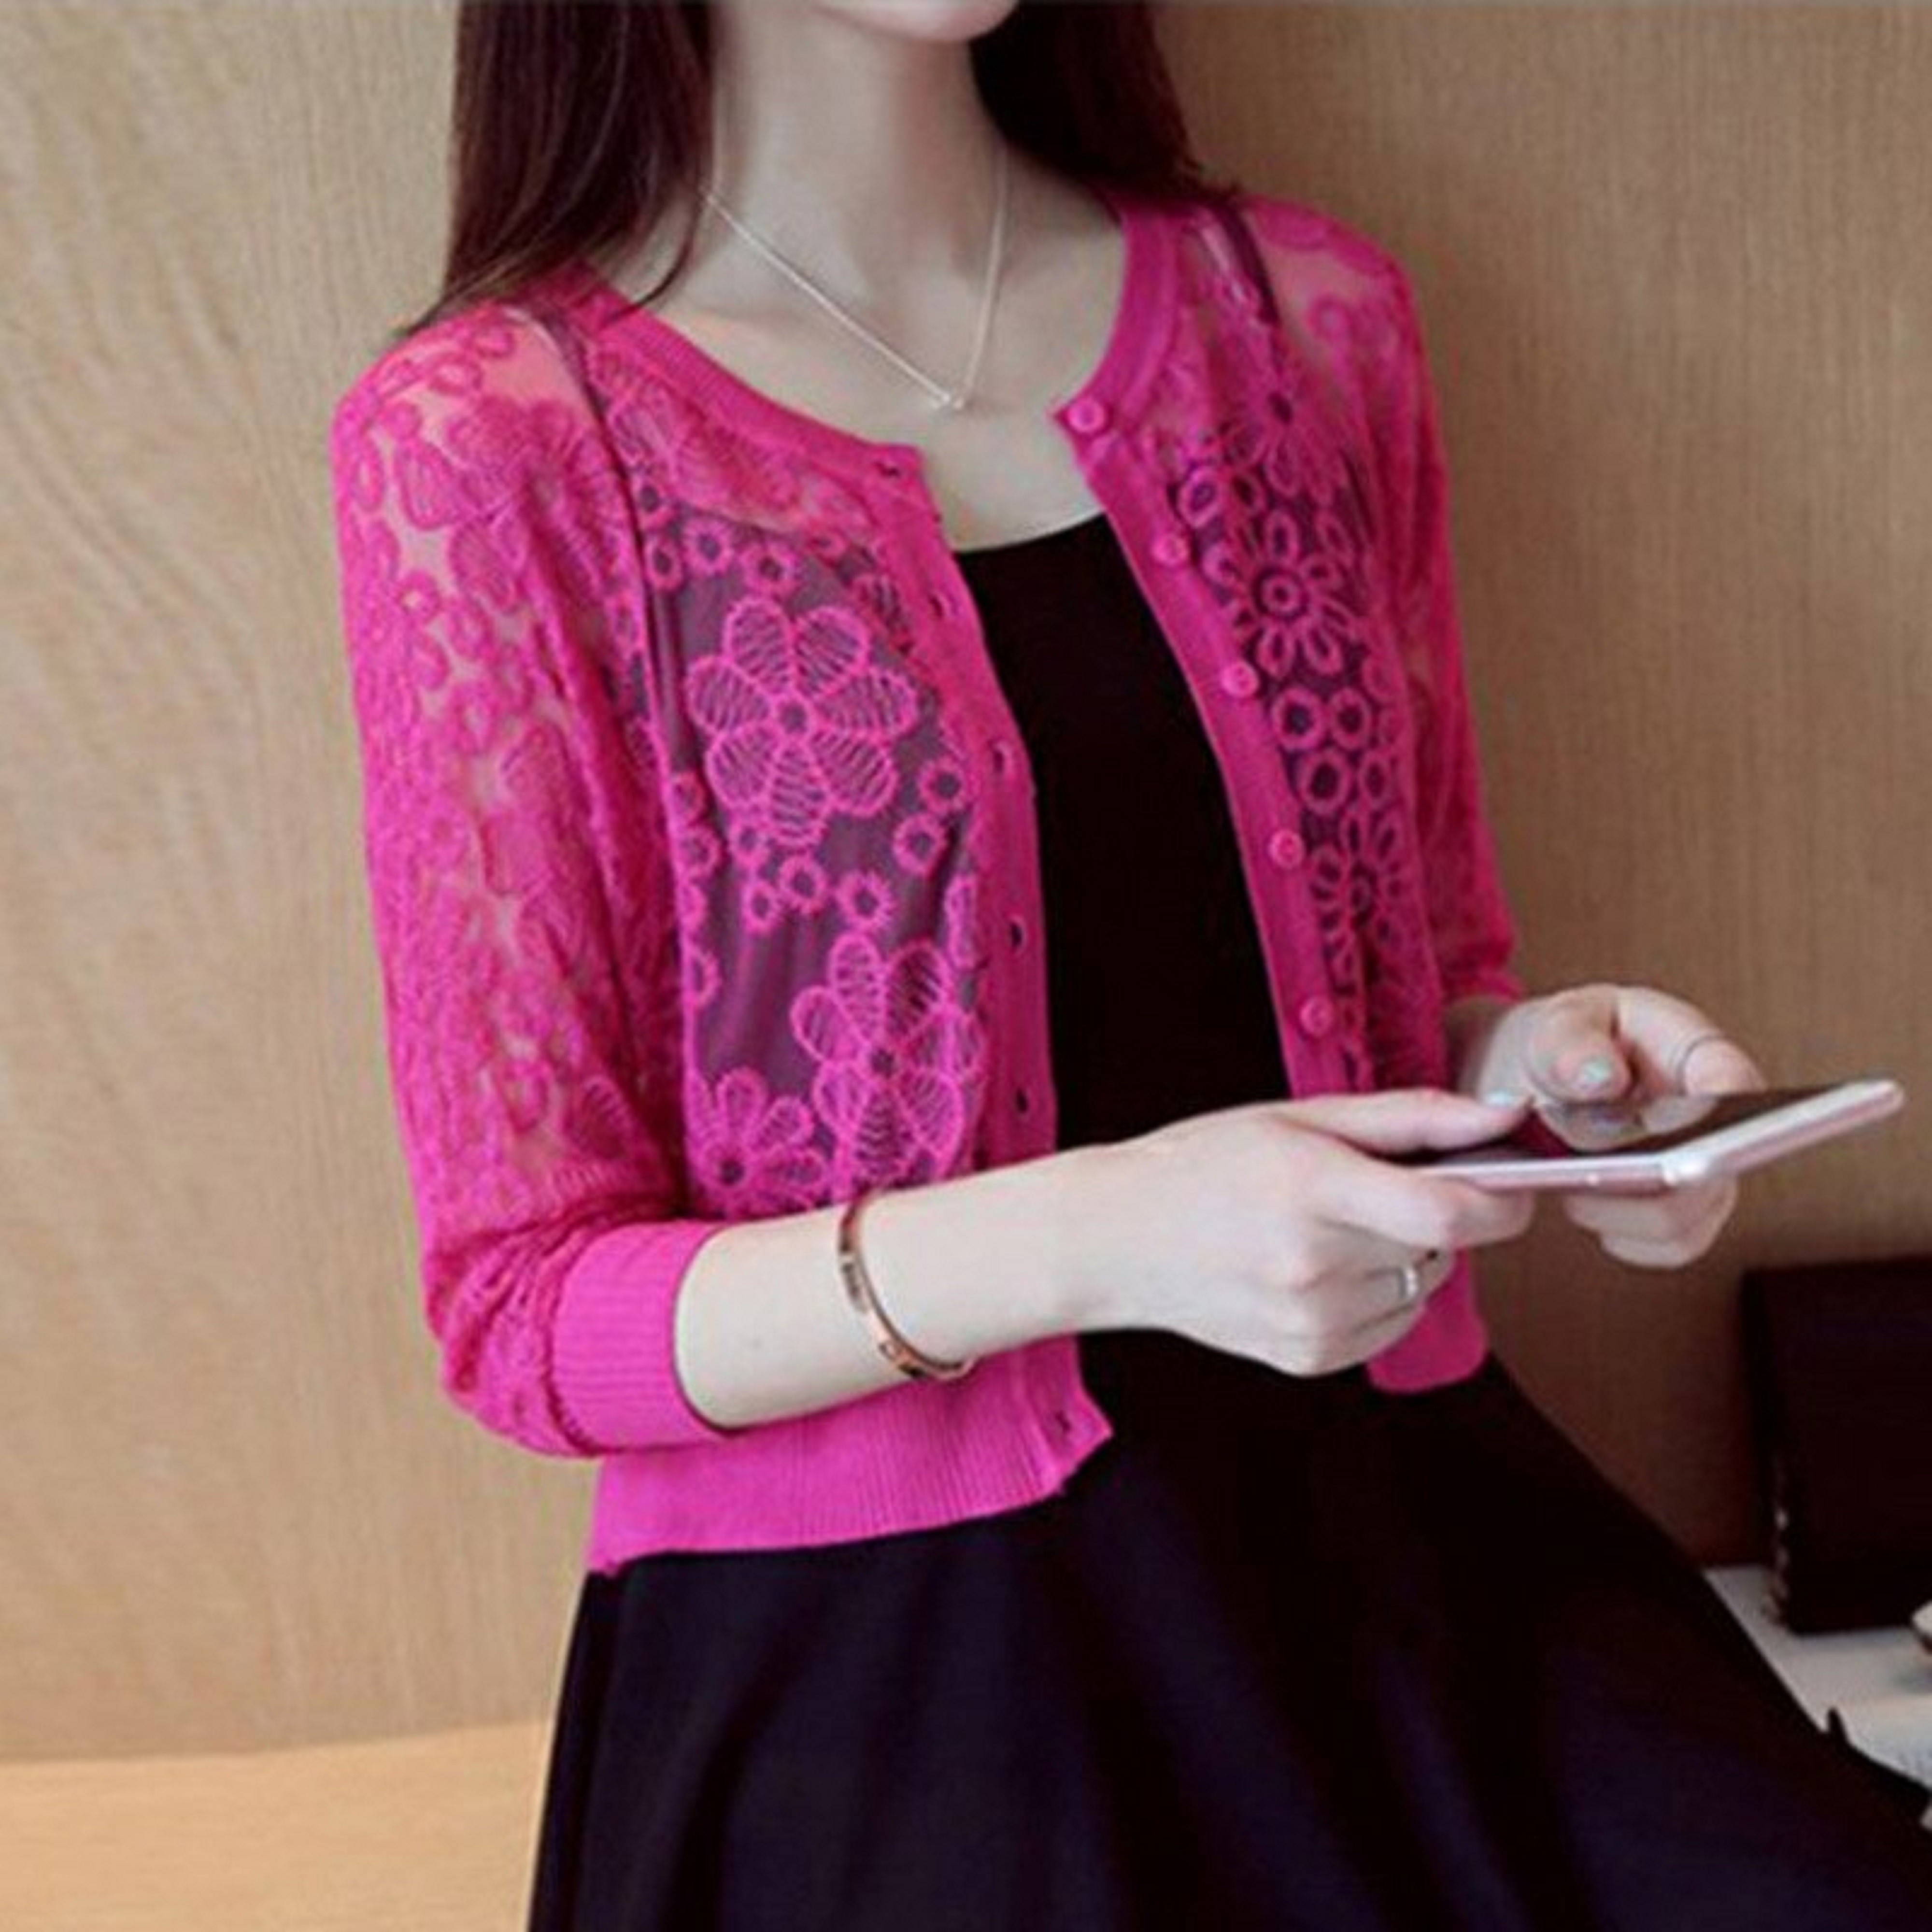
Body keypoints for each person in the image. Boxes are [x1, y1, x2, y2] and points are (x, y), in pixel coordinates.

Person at [325, 2, 1932, 1925]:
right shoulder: (497, 442)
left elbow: (1419, 985)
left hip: (1406, 1529)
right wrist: (1106, 1236)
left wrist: (1539, 1091)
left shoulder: (1308, 325)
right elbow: (526, 1310)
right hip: (885, 1656)